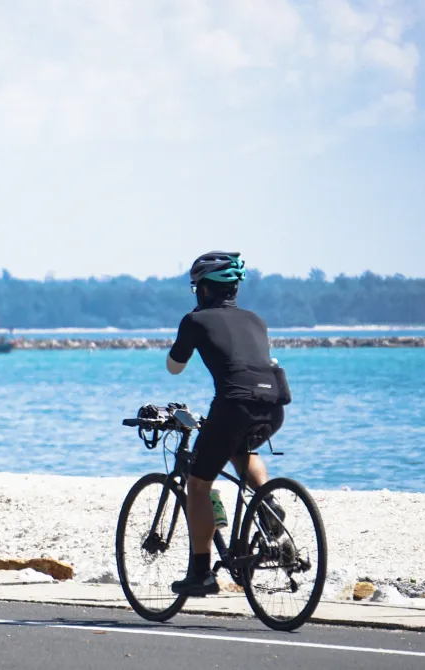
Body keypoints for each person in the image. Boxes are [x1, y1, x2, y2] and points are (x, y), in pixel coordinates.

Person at [165, 251, 288, 596]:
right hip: (274, 403)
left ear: (204, 289)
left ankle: (201, 574)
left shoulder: (195, 320)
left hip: (234, 405)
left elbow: (175, 367)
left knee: (198, 485)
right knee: (240, 449)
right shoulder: (256, 320)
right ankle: (266, 502)